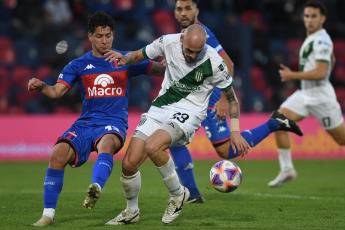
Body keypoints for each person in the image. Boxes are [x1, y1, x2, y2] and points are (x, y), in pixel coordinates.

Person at [102, 24, 251, 225]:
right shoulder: (167, 41)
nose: (192, 56)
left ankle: (177, 193)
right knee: (129, 164)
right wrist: (125, 58)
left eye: (198, 52)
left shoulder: (215, 62)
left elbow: (232, 99)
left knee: (153, 146)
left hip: (189, 113)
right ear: (182, 39)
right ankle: (131, 211)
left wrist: (235, 131)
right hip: (161, 108)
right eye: (189, 50)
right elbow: (139, 54)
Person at [28, 11, 165, 226]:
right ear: (90, 36)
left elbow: (161, 71)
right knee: (58, 154)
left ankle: (95, 187)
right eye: (100, 36)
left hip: (114, 123)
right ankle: (48, 215)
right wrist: (41, 86)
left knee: (107, 143)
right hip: (86, 123)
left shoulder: (126, 59)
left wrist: (174, 65)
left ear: (113, 35)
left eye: (108, 35)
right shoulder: (78, 65)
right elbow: (55, 93)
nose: (105, 40)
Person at [170, 0, 303, 202]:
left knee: (223, 149)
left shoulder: (204, 34)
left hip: (210, 97)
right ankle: (192, 194)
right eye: (180, 9)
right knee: (181, 139)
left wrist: (224, 98)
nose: (184, 13)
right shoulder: (179, 36)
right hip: (192, 97)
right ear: (175, 12)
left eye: (188, 8)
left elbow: (228, 64)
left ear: (196, 11)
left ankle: (274, 123)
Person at [268, 0, 345, 187]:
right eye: (307, 16)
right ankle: (287, 170)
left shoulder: (321, 40)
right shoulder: (312, 37)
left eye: (314, 16)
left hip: (321, 98)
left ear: (323, 18)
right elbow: (331, 60)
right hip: (304, 94)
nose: (309, 20)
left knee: (341, 139)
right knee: (277, 121)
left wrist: (291, 75)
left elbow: (319, 72)